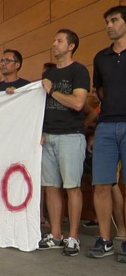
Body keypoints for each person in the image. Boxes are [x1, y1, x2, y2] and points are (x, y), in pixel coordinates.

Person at [38, 29, 90, 257]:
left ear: (71, 46)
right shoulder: (48, 73)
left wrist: (53, 90)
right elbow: (38, 105)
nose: (54, 43)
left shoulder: (79, 71)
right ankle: (56, 235)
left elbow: (78, 103)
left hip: (71, 135)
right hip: (48, 136)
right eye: (54, 39)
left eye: (59, 41)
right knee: (51, 187)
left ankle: (74, 237)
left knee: (72, 187)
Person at [87, 5, 126, 262]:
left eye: (114, 20)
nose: (109, 25)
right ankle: (105, 239)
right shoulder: (100, 57)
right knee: (101, 184)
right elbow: (100, 92)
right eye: (106, 22)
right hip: (106, 126)